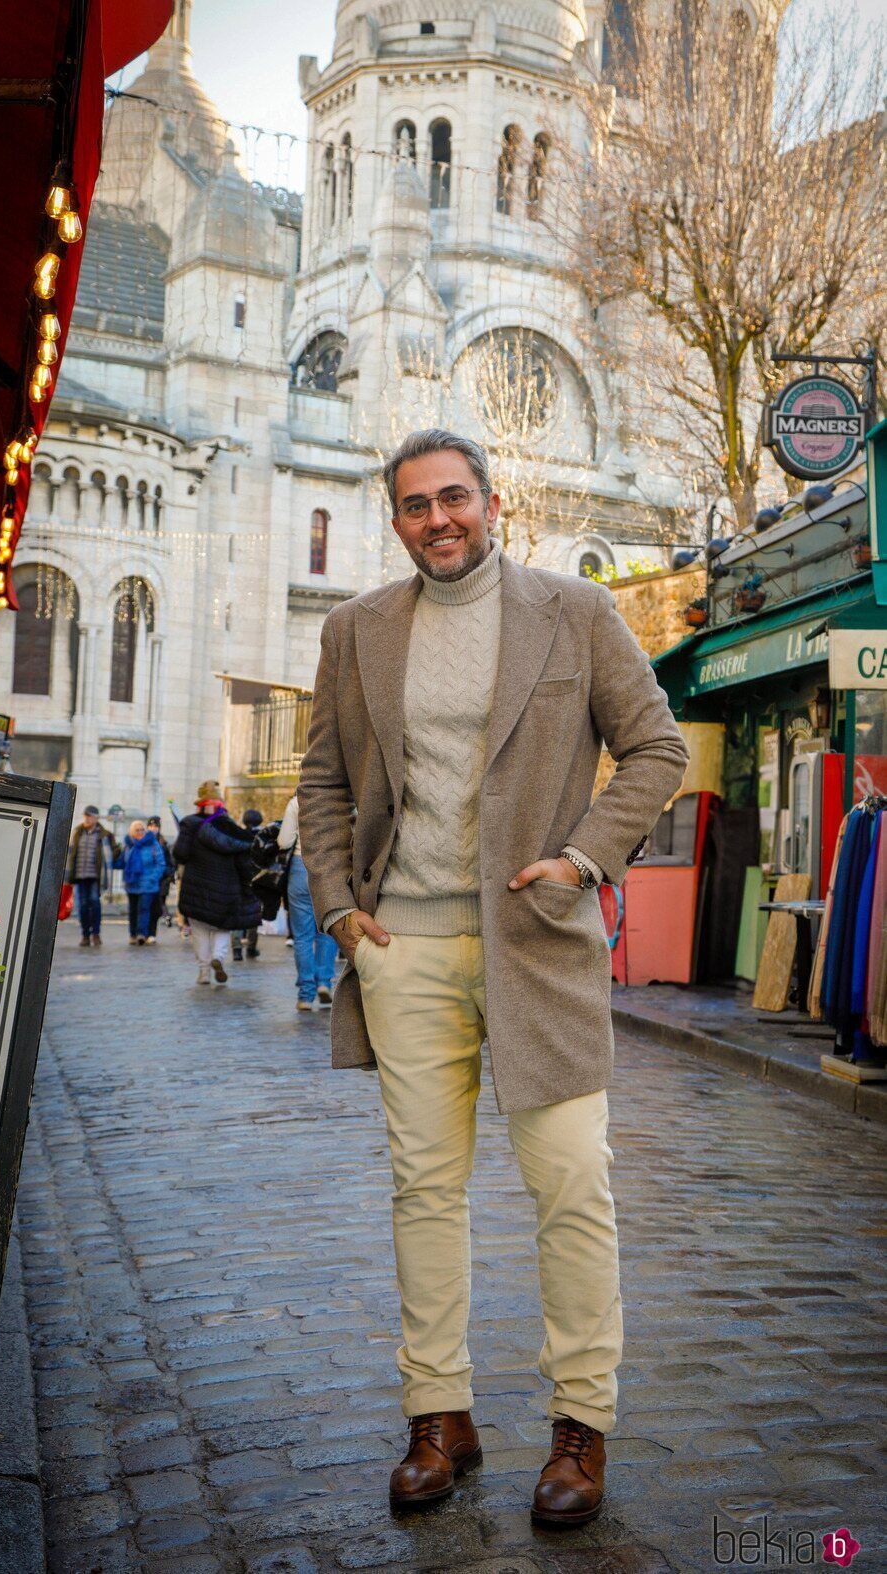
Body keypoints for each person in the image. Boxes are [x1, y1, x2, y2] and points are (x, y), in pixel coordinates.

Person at [298, 429, 688, 1524]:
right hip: (403, 948)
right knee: (424, 1189)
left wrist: (580, 858)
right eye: (415, 505)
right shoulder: (354, 629)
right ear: (395, 520)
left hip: (538, 945)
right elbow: (322, 775)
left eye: (454, 498)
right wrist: (336, 903)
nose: (438, 520)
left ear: (492, 501)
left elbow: (657, 749)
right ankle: (439, 1412)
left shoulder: (576, 612)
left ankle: (579, 1423)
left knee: (571, 1184)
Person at [173, 781, 262, 985]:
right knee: (223, 927)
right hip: (226, 886)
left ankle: (204, 972)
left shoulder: (189, 823)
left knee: (199, 929)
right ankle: (218, 957)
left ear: (200, 804)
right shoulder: (230, 827)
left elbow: (180, 854)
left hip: (196, 885)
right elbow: (242, 859)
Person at [278, 794, 338, 1011]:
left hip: (300, 865)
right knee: (328, 929)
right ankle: (324, 982)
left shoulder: (296, 802)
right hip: (331, 867)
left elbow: (283, 841)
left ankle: (305, 994)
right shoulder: (340, 798)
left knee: (302, 936)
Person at [63, 804, 118, 948]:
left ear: (96, 818)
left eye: (89, 816)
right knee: (82, 906)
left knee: (94, 903)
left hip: (95, 876)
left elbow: (114, 851)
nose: (86, 819)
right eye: (85, 816)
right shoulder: (77, 832)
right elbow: (69, 854)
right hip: (79, 876)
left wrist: (112, 858)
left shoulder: (105, 835)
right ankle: (85, 935)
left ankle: (96, 934)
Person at [116, 820, 166, 946]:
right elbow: (121, 862)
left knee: (143, 909)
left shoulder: (153, 843)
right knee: (133, 910)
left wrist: (153, 878)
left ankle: (141, 934)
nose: (140, 832)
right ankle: (132, 935)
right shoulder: (128, 845)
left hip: (148, 884)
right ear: (132, 832)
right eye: (137, 830)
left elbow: (161, 863)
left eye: (142, 830)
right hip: (132, 883)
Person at [231, 807, 264, 962]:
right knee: (254, 914)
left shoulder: (238, 835)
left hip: (238, 879)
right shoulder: (262, 837)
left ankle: (236, 949)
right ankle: (251, 946)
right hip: (256, 879)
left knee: (237, 914)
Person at [146, 815, 175, 943]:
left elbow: (170, 864)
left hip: (161, 881)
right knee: (145, 907)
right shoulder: (143, 841)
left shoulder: (163, 844)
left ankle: (152, 933)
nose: (154, 828)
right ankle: (143, 932)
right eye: (151, 826)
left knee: (157, 909)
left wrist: (167, 875)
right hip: (147, 881)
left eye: (156, 826)